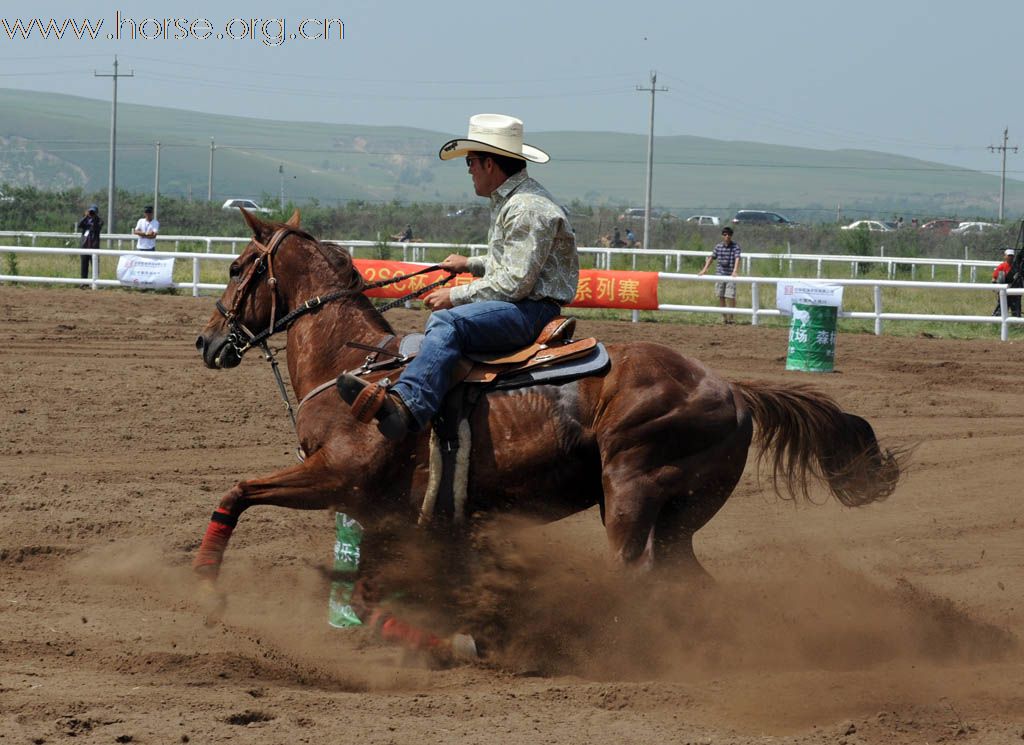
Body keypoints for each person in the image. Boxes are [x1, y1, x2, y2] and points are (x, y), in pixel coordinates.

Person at [337, 113, 579, 440]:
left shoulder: (525, 208)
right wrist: (470, 264)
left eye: (470, 162)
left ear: (489, 164)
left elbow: (514, 283)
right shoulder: (516, 201)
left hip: (530, 310)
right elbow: (509, 263)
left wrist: (455, 296)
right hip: (528, 304)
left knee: (448, 323)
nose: (469, 170)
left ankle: (409, 405)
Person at [697, 226, 742, 324]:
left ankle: (731, 317)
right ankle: (724, 317)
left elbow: (737, 258)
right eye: (725, 234)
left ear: (731, 236)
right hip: (720, 274)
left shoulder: (736, 246)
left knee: (731, 296)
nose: (727, 236)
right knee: (721, 296)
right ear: (722, 235)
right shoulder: (718, 246)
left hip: (730, 275)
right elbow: (712, 257)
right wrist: (704, 269)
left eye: (729, 234)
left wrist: (735, 271)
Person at [76, 204, 103, 280]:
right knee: (84, 265)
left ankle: (96, 282)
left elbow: (96, 228)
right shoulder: (85, 220)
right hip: (84, 246)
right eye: (90, 211)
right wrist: (86, 216)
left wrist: (94, 218)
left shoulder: (99, 221)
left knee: (95, 266)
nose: (91, 213)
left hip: (94, 247)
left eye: (93, 212)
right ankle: (84, 282)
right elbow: (79, 225)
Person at [992, 248, 1021, 317]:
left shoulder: (1017, 267)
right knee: (1002, 308)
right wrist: (995, 287)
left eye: (1012, 256)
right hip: (1004, 291)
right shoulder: (1001, 266)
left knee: (1016, 309)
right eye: (1009, 255)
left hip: (1015, 291)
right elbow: (994, 278)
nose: (1010, 257)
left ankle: (1017, 324)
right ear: (1005, 256)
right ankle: (997, 321)